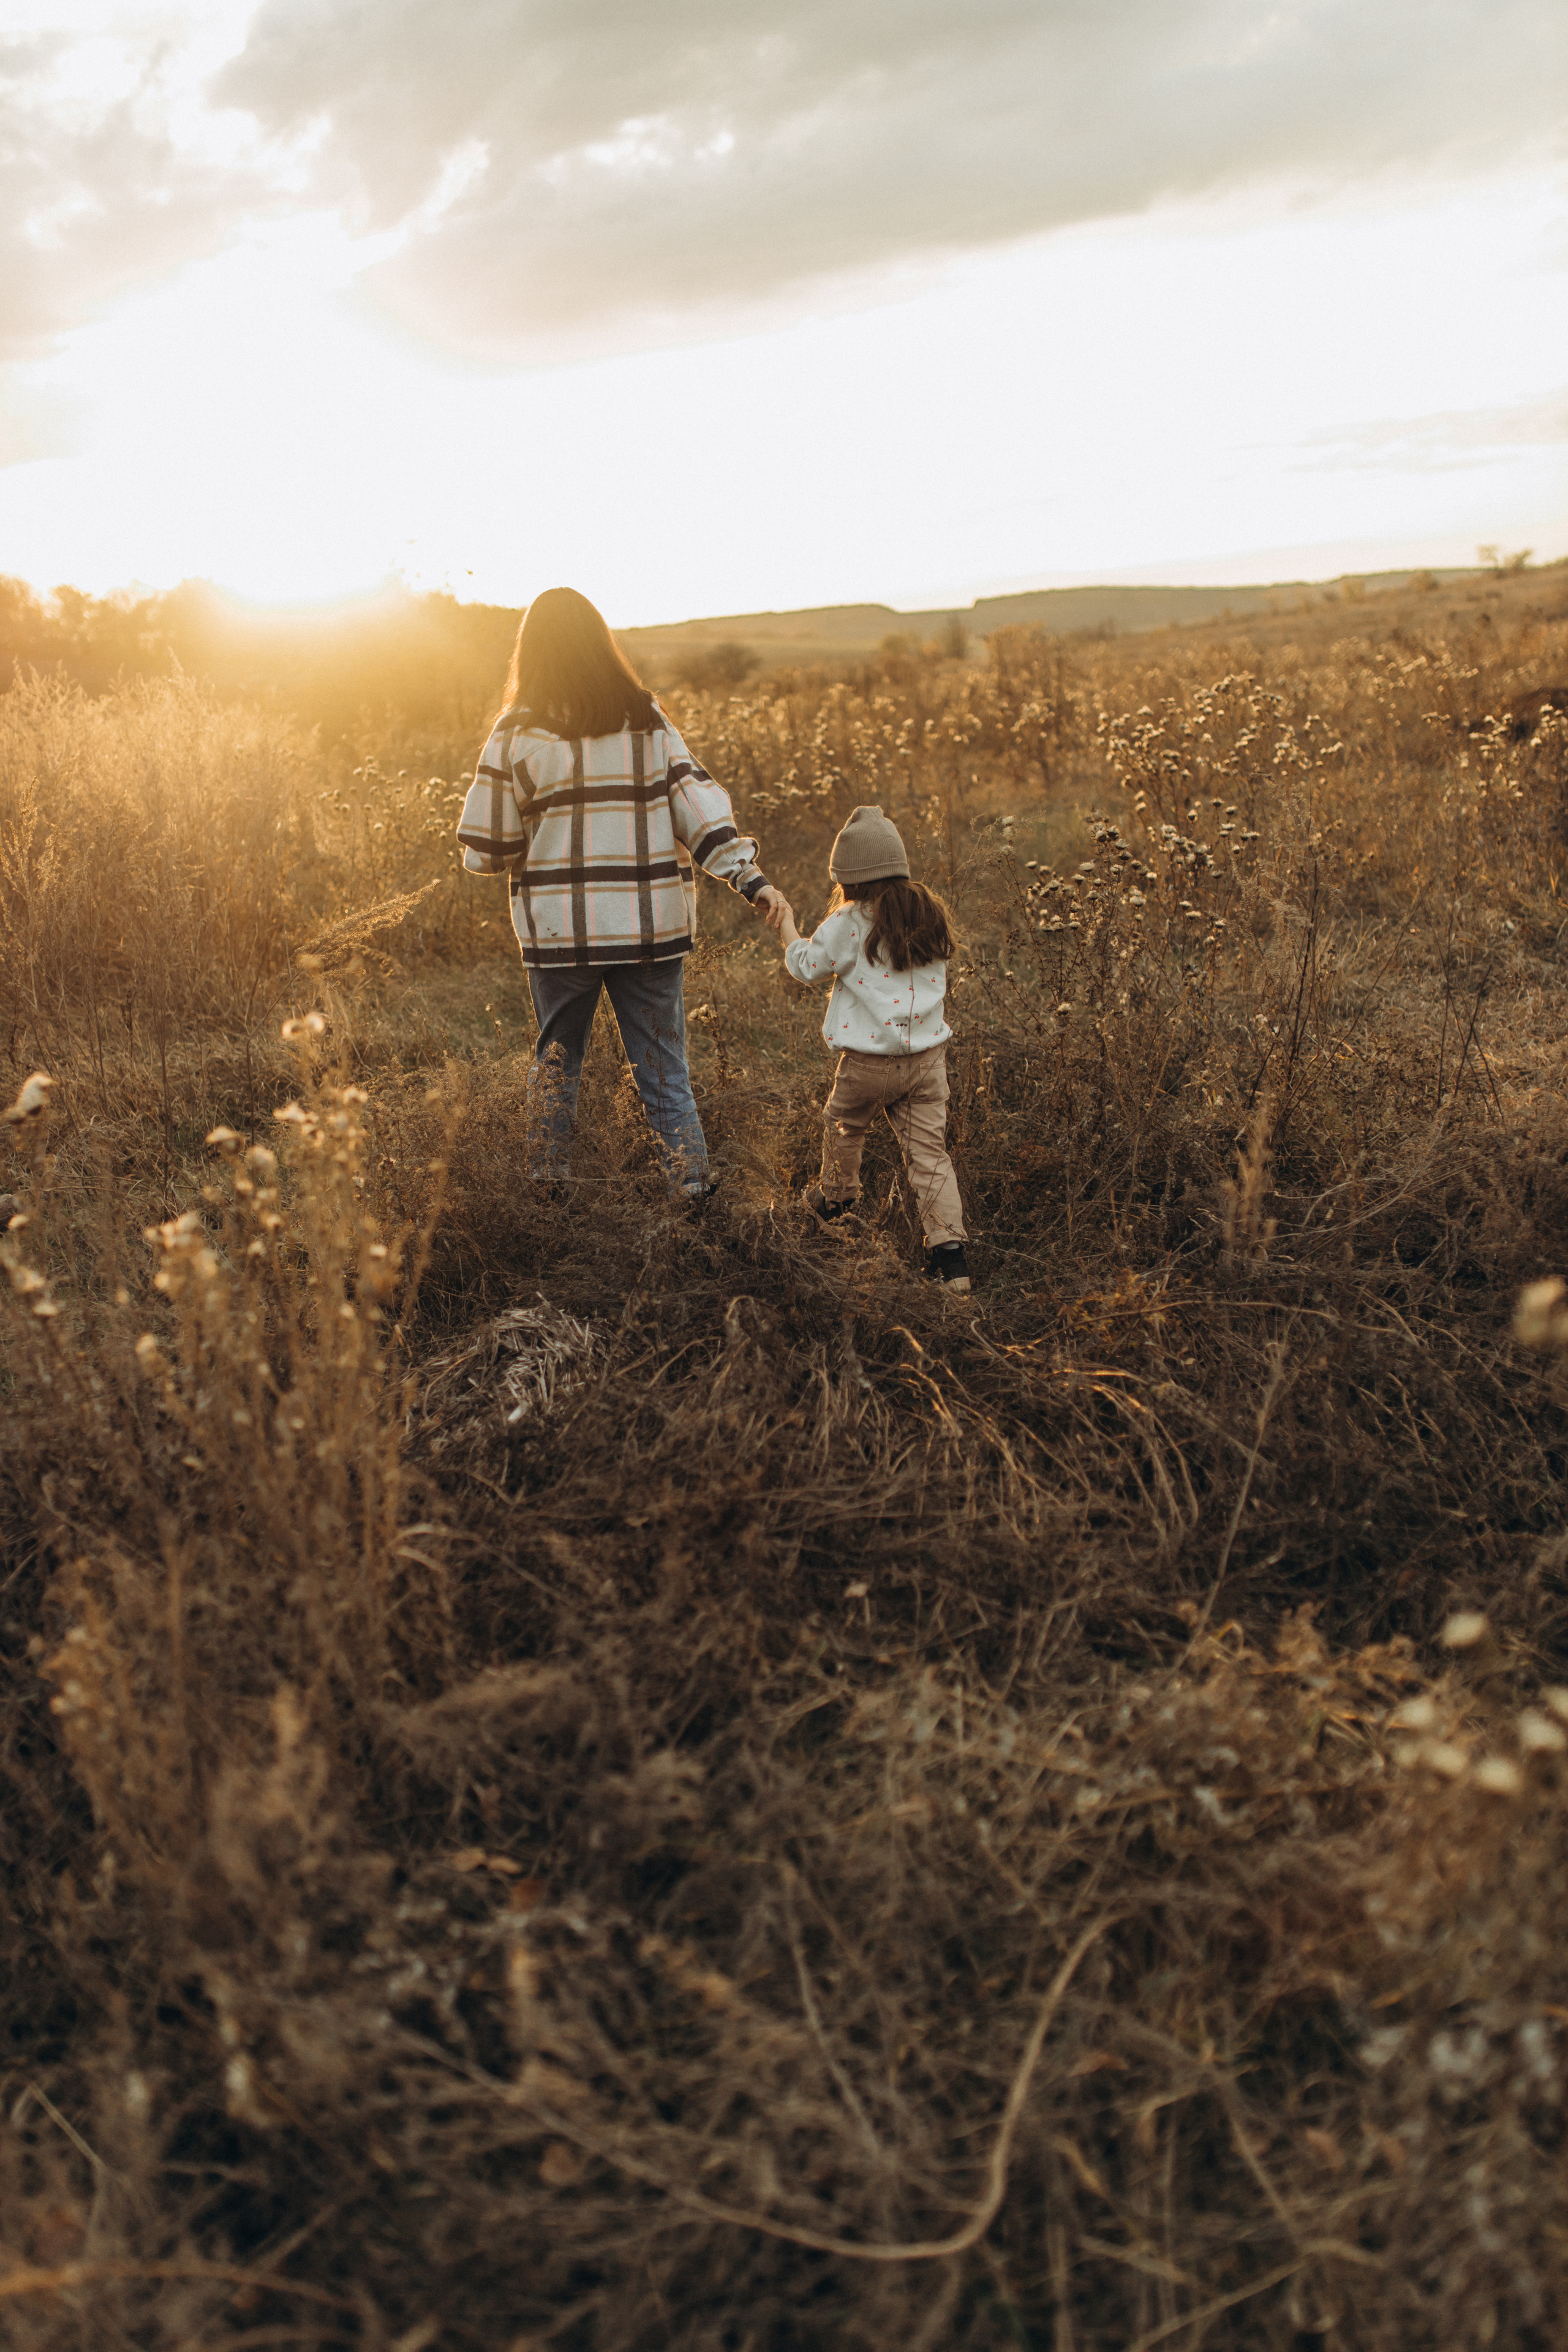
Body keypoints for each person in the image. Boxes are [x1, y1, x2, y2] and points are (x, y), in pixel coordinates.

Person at [456, 587, 784, 1193]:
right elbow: (699, 812)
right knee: (664, 1071)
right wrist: (750, 879)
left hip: (561, 934)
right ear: (600, 644)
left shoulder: (515, 732)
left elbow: (487, 850)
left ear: (532, 651)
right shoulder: (646, 719)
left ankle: (547, 1192)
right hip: (650, 929)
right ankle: (691, 1193)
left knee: (556, 1065)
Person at [767, 805, 971, 1293]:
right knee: (930, 1157)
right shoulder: (929, 912)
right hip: (927, 1063)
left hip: (867, 1064)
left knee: (844, 1127)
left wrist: (788, 928)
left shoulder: (849, 919)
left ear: (849, 879)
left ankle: (835, 1203)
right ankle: (952, 1264)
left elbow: (808, 966)